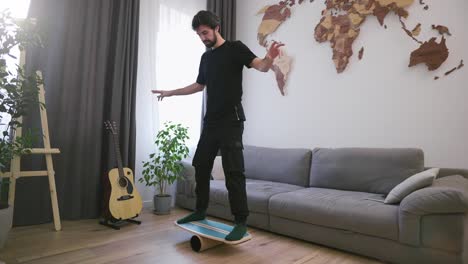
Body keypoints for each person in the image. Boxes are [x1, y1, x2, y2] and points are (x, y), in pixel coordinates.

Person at [152, 10, 283, 241]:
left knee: (234, 172)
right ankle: (200, 211)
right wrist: (171, 92)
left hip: (232, 121)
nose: (202, 38)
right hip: (211, 122)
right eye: (198, 35)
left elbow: (261, 66)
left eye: (204, 32)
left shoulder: (236, 49)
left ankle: (240, 221)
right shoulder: (206, 58)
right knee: (200, 165)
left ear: (216, 28)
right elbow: (198, 85)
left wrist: (270, 57)